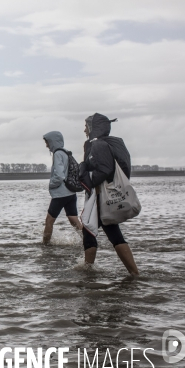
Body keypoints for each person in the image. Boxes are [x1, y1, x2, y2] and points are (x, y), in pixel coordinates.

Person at [79, 113, 139, 276]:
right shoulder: (108, 143)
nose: (84, 129)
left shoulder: (97, 144)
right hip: (104, 196)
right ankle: (133, 273)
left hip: (100, 197)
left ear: (92, 127)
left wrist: (86, 176)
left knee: (94, 232)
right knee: (108, 232)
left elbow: (105, 169)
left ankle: (88, 271)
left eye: (86, 126)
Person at [41, 131, 83, 244]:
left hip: (61, 194)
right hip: (71, 193)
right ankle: (88, 240)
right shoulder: (66, 153)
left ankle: (45, 246)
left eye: (47, 142)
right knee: (73, 219)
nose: (46, 145)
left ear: (53, 141)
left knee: (49, 220)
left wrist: (51, 184)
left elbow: (59, 176)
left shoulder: (57, 154)